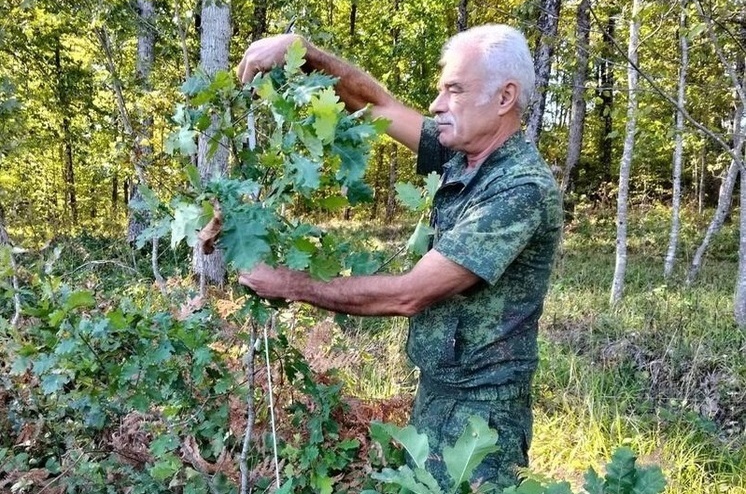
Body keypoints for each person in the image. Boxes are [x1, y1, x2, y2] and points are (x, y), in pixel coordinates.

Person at [222, 24, 563, 488]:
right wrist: (305, 55)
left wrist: (288, 284)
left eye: (454, 91)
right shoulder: (461, 153)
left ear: (505, 98)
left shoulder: (519, 189)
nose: (438, 105)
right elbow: (378, 106)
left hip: (484, 410)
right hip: (439, 390)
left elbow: (409, 294)